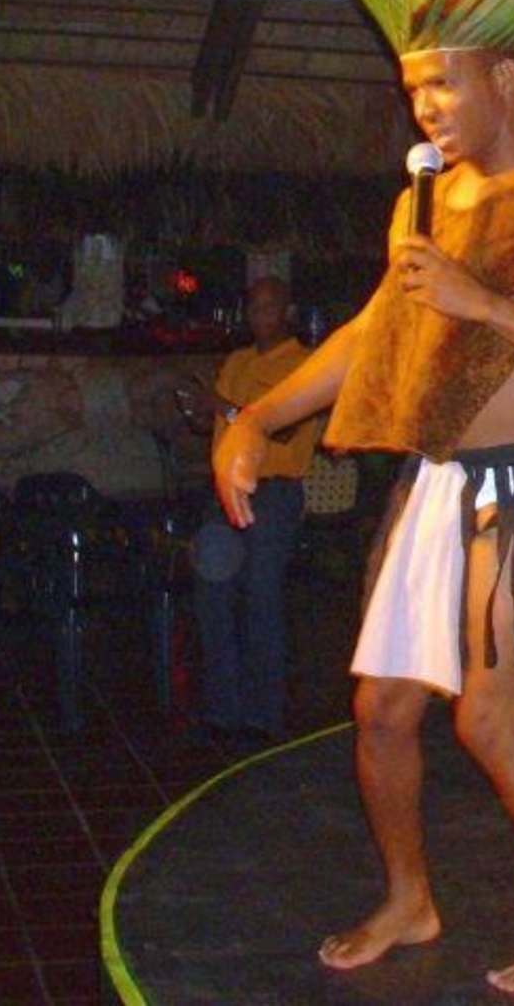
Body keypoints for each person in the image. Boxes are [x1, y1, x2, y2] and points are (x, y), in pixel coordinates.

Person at [212, 0, 514, 997]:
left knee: (490, 719)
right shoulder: (430, 200)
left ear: (504, 78)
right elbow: (375, 331)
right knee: (381, 712)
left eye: (443, 86)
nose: (427, 110)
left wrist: (480, 301)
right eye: (414, 93)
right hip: (440, 480)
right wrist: (260, 416)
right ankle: (410, 898)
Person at [194, 274, 319, 743]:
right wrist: (200, 411)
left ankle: (262, 716)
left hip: (273, 493)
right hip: (225, 492)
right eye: (253, 307)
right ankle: (222, 712)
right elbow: (220, 421)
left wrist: (224, 408)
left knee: (260, 599)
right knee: (214, 598)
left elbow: (282, 432)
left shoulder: (304, 365)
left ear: (288, 312)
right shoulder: (238, 361)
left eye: (268, 307)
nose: (258, 316)